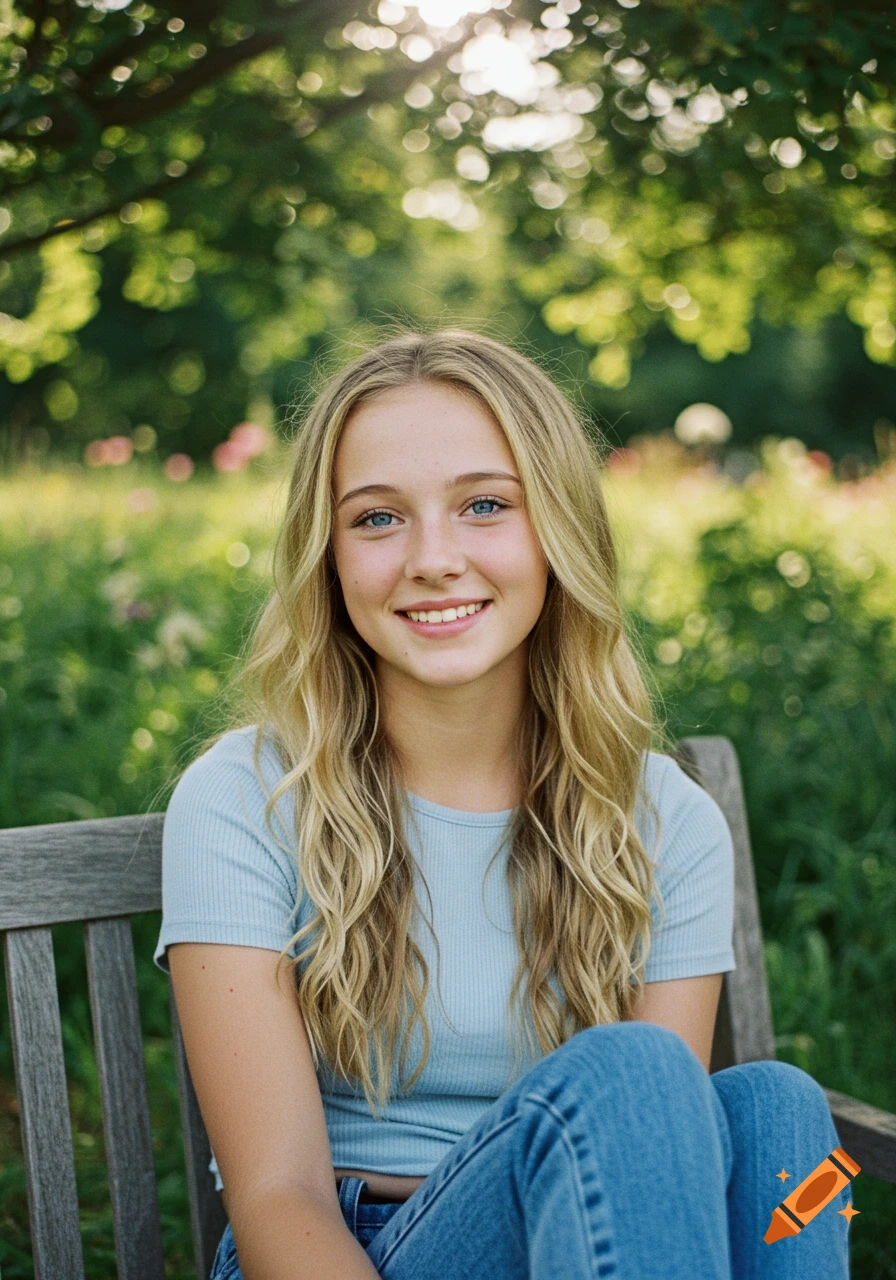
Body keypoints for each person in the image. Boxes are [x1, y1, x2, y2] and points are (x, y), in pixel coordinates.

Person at [153, 329, 851, 1280]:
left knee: (778, 1111)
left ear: (556, 527)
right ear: (328, 556)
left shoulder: (663, 817)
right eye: (376, 518)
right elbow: (277, 1196)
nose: (434, 558)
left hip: (607, 1240)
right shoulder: (248, 798)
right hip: (348, 1246)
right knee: (635, 1071)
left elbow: (665, 1158)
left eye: (485, 505)